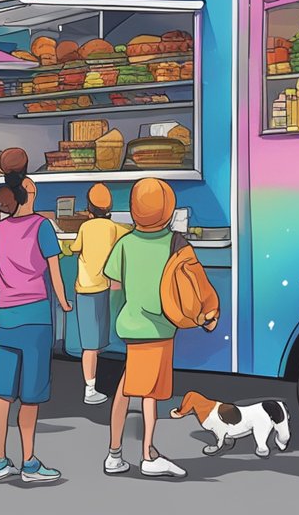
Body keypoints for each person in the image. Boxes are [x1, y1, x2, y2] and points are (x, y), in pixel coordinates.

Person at [0, 150, 72, 484]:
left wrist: (5, 290)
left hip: (5, 318)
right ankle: (29, 463)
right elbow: (54, 271)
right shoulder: (42, 227)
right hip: (35, 319)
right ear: (27, 196)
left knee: (0, 393)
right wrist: (64, 302)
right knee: (30, 397)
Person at [103, 178, 187, 478]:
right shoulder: (173, 243)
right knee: (146, 393)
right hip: (158, 329)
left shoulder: (124, 243)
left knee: (128, 387)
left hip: (131, 325)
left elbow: (114, 285)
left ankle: (117, 453)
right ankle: (147, 453)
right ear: (169, 209)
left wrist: (119, 315)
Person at [70, 183, 131, 406]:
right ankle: (92, 390)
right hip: (106, 288)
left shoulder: (86, 228)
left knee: (90, 344)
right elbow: (132, 231)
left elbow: (75, 247)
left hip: (85, 289)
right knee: (100, 340)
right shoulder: (114, 228)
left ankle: (90, 387)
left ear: (89, 209)